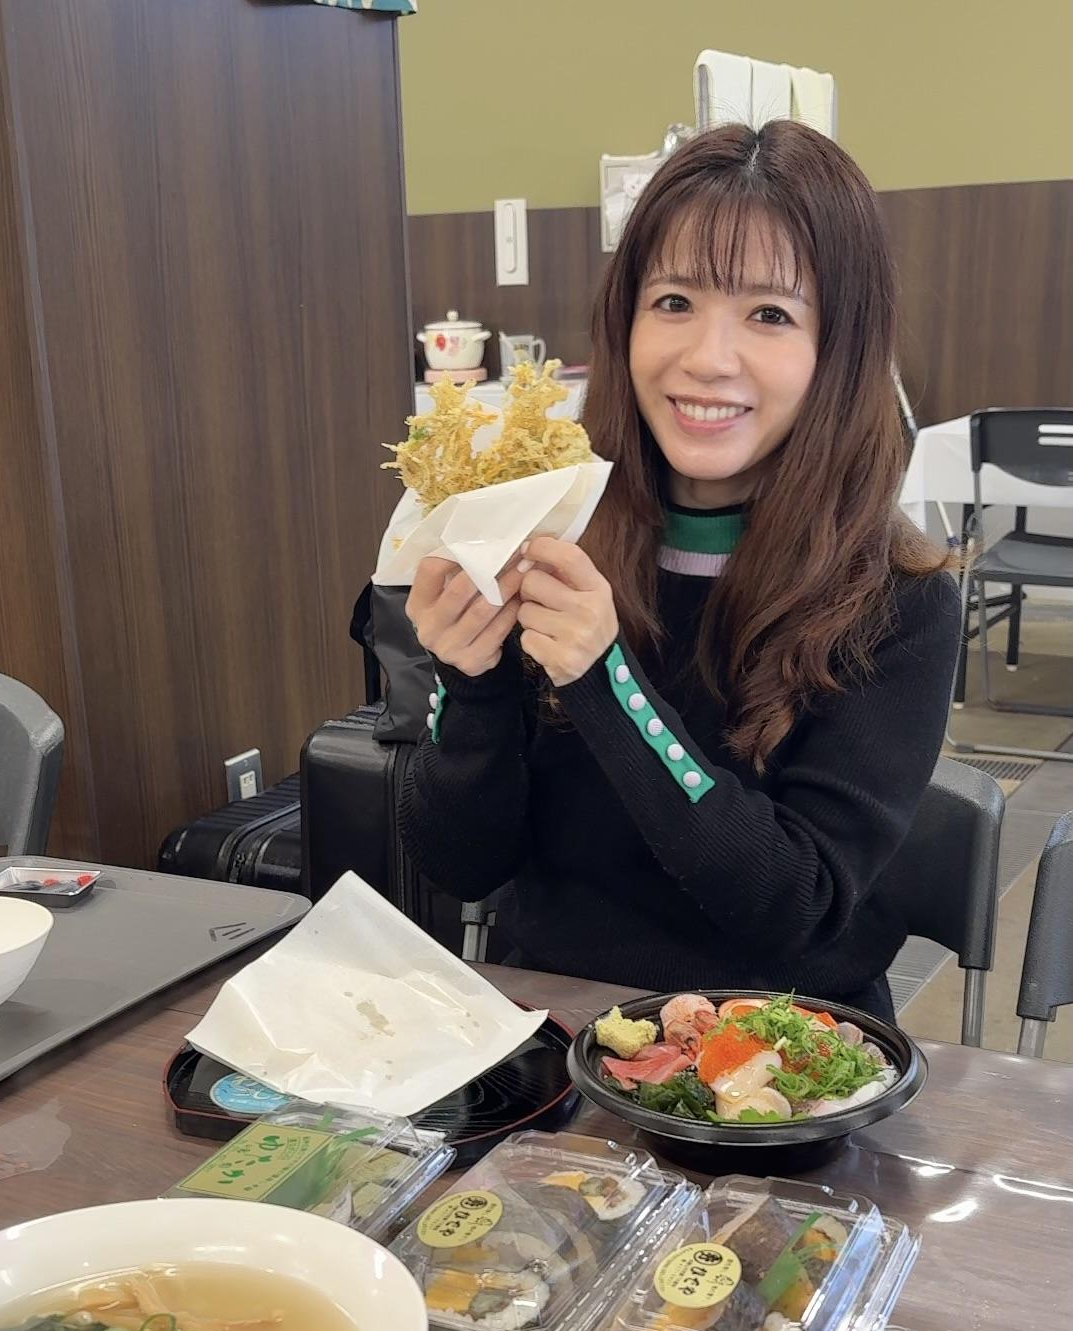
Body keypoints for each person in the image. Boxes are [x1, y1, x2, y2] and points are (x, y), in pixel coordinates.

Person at [397, 121, 960, 1020]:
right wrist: (468, 683)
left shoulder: (897, 599)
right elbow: (461, 865)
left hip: (781, 1049)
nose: (705, 358)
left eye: (769, 314)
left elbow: (797, 906)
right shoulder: (550, 537)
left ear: (839, 349)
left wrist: (602, 680)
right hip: (553, 1028)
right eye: (672, 301)